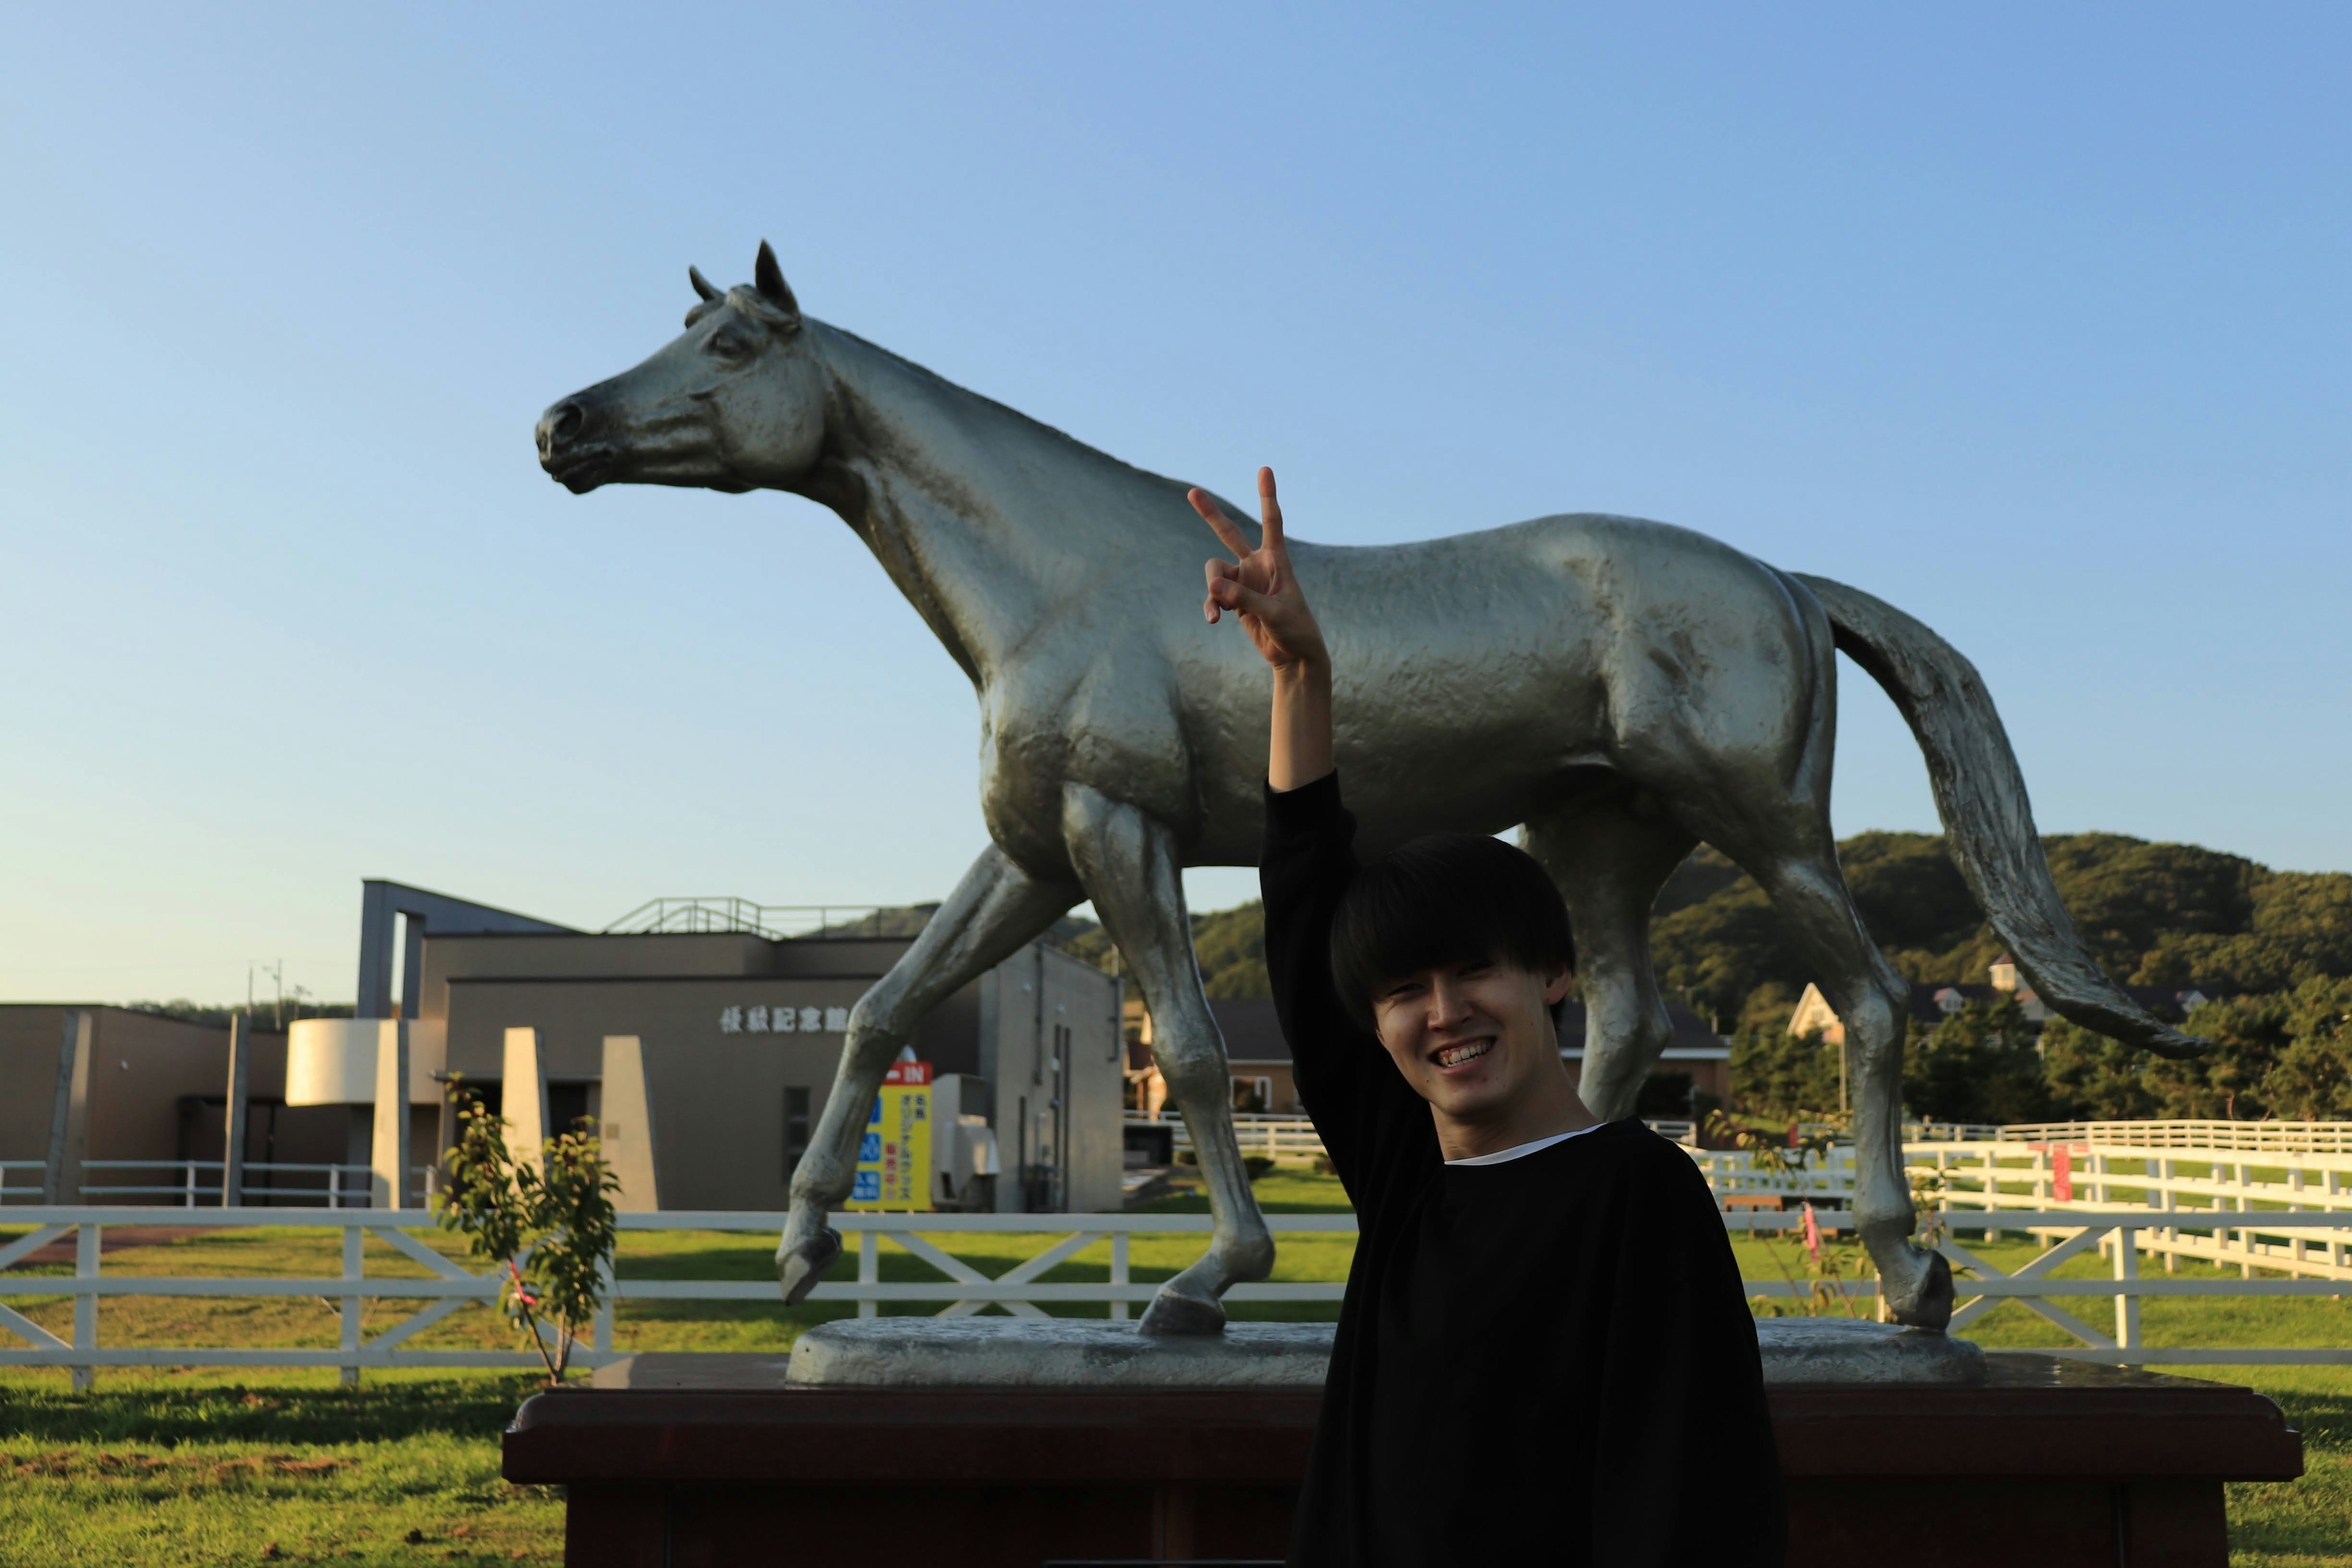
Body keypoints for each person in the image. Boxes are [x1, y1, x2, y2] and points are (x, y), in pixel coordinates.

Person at [1190, 468, 1786, 1567]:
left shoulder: (1636, 1195)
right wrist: (1299, 677)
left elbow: (1688, 1494)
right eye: (1405, 992)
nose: (1444, 1014)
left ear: (1554, 973)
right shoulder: (1409, 1180)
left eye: (1473, 974)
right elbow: (1304, 899)